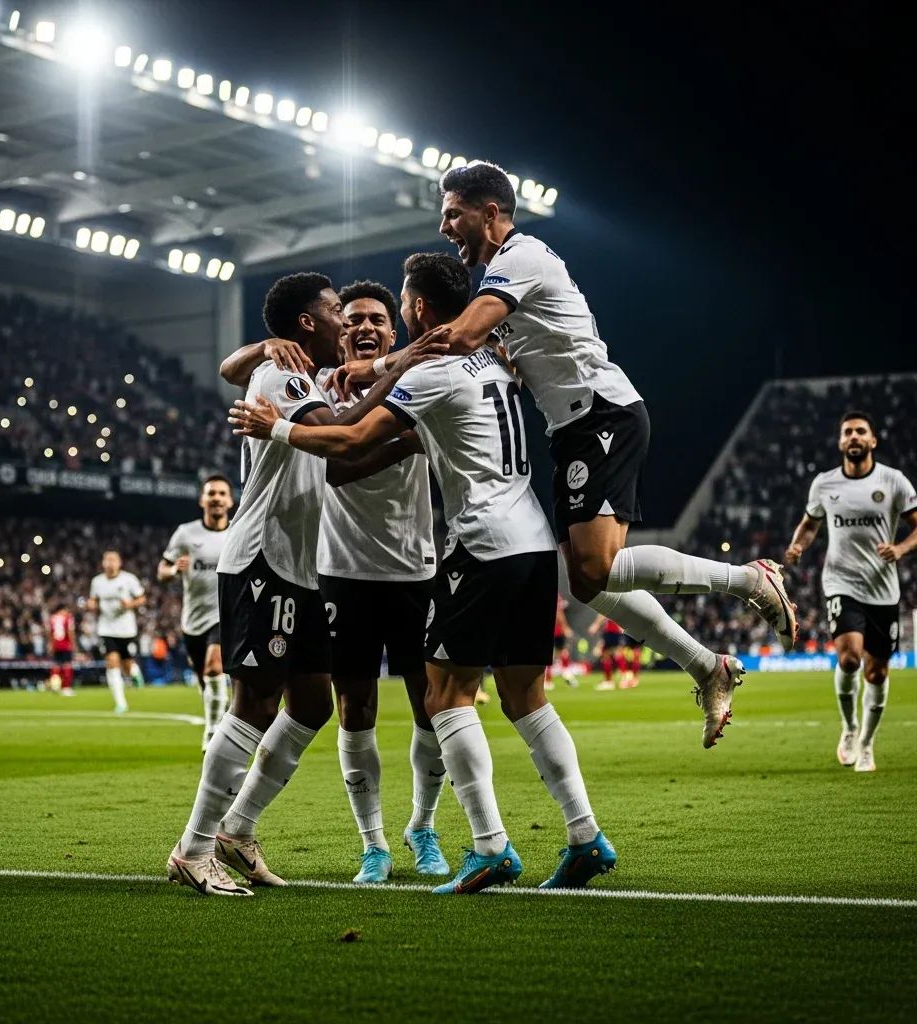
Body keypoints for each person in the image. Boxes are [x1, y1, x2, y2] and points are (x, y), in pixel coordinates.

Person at [328, 162, 799, 748]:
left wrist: (373, 368)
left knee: (594, 571)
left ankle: (747, 580)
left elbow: (463, 337)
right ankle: (708, 665)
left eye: (453, 213)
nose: (445, 226)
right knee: (586, 582)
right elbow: (495, 356)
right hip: (572, 428)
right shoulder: (502, 277)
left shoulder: (521, 258)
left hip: (601, 414)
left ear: (489, 212)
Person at [232, 252, 616, 894]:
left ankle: (474, 841)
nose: (364, 327)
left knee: (440, 701)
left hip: (454, 554)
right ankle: (579, 835)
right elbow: (241, 371)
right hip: (497, 541)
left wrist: (277, 430)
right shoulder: (483, 358)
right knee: (519, 697)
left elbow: (348, 443)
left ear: (410, 313)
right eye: (347, 318)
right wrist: (271, 350)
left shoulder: (424, 373)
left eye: (383, 315)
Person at [168, 272, 436, 896]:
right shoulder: (286, 379)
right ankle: (194, 847)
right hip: (262, 558)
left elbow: (243, 372)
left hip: (299, 568)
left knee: (313, 702)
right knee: (254, 705)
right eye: (336, 309)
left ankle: (238, 830)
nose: (347, 321)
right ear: (308, 322)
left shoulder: (303, 375)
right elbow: (342, 446)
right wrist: (408, 402)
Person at [785, 410, 917, 772]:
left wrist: (902, 549)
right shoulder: (824, 484)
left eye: (861, 431)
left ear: (873, 440)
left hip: (883, 588)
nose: (854, 437)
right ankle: (849, 728)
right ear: (841, 442)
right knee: (849, 658)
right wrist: (798, 546)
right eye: (848, 432)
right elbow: (809, 525)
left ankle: (868, 743)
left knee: (876, 673)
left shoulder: (894, 482)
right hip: (840, 582)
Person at [158, 474, 236, 752]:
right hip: (193, 619)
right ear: (202, 499)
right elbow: (162, 570)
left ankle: (213, 732)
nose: (216, 497)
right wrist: (173, 571)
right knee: (205, 680)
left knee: (214, 666)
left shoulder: (239, 531)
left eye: (221, 493)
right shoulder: (186, 533)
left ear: (230, 500)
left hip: (226, 614)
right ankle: (218, 710)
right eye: (211, 493)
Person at [88, 551, 146, 713]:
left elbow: (142, 598)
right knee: (112, 662)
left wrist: (130, 604)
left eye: (113, 560)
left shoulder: (129, 579)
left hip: (126, 630)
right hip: (106, 629)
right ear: (103, 563)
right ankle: (121, 703)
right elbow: (93, 600)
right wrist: (91, 604)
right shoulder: (97, 582)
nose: (110, 563)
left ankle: (134, 673)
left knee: (127, 665)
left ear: (119, 563)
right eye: (107, 560)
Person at [47, 602, 77, 697]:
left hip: (56, 645)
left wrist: (50, 644)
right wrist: (73, 643)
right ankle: (66, 688)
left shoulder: (52, 618)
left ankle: (54, 686)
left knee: (56, 666)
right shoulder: (68, 618)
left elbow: (49, 632)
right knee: (67, 666)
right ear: (63, 609)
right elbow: (70, 631)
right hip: (65, 645)